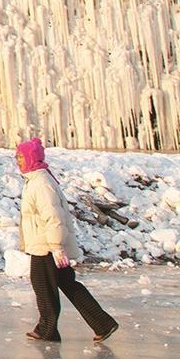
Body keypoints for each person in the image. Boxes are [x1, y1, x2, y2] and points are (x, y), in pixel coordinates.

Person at [17, 139, 119, 343]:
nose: (17, 160)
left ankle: (47, 330)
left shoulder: (40, 183)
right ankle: (102, 323)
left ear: (31, 157)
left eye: (20, 156)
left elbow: (54, 217)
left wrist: (56, 246)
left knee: (43, 286)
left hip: (46, 246)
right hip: (47, 243)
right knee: (66, 282)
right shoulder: (37, 179)